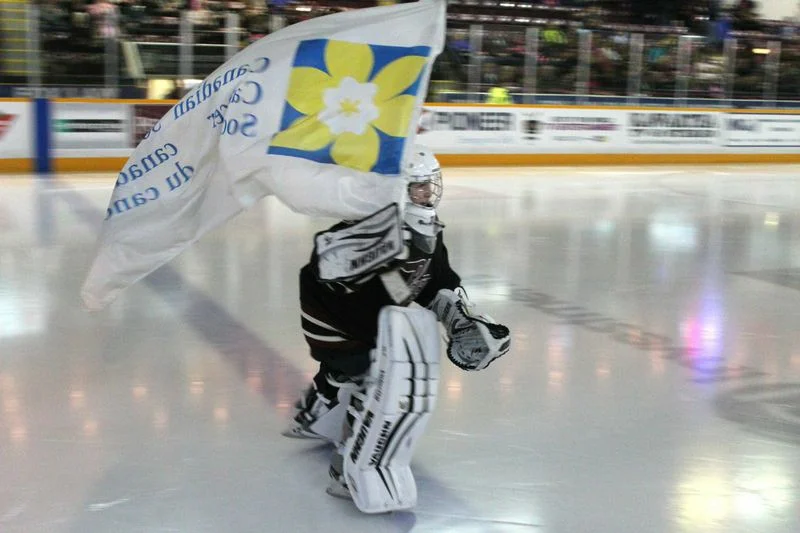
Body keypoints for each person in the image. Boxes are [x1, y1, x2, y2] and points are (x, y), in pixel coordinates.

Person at [283, 145, 511, 513]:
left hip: (372, 325)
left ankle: (313, 408)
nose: (428, 193)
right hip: (336, 325)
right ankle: (346, 467)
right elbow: (330, 276)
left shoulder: (425, 232)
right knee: (376, 379)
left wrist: (457, 316)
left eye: (430, 184)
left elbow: (435, 281)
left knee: (354, 372)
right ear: (395, 190)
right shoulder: (361, 234)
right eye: (418, 186)